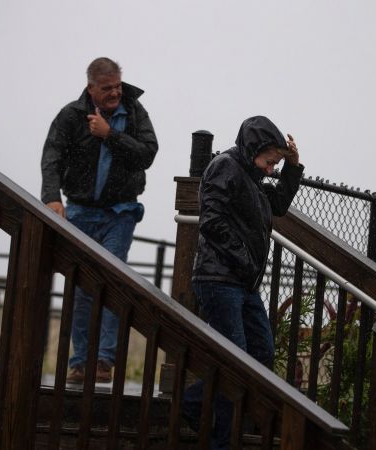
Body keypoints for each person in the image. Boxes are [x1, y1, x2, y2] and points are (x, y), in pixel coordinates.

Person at [183, 116, 303, 448]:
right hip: (219, 278)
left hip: (242, 282)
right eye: (270, 161)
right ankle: (221, 438)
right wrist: (245, 260)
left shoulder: (252, 176)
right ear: (254, 148)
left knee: (261, 352)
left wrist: (292, 167)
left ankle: (194, 403)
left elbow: (277, 205)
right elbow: (212, 220)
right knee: (235, 361)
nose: (270, 169)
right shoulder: (225, 166)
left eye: (275, 164)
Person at [40, 57, 158, 384]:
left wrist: (110, 135)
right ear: (91, 87)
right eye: (107, 88)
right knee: (81, 285)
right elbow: (51, 156)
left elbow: (148, 153)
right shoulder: (71, 116)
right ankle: (80, 362)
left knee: (110, 278)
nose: (115, 93)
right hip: (79, 211)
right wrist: (52, 197)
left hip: (120, 212)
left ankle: (104, 361)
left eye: (118, 86)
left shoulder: (134, 112)